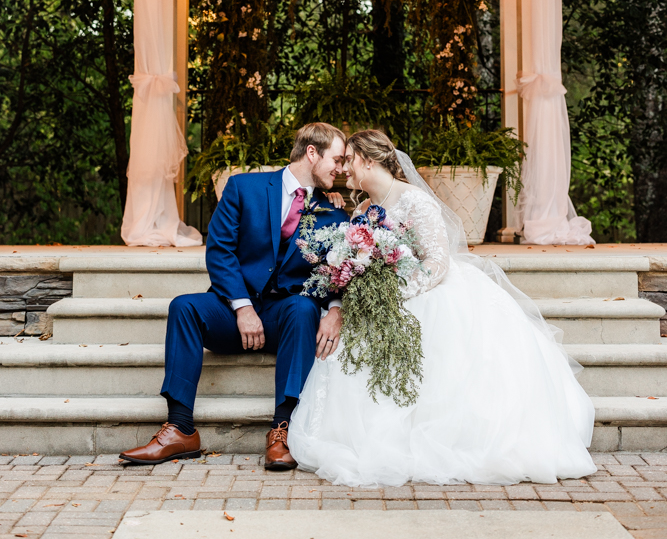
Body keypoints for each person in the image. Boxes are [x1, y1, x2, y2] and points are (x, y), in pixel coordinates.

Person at [288, 129, 597, 487]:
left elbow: (437, 262)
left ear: (369, 160)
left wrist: (395, 293)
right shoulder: (360, 209)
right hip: (379, 296)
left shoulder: (415, 201)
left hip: (426, 291)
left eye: (350, 160)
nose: (344, 170)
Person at [119, 122, 348, 470]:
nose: (342, 168)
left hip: (284, 321)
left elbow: (333, 272)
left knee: (303, 308)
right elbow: (220, 250)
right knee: (184, 306)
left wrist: (335, 309)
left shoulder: (333, 212)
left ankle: (282, 431)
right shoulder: (244, 187)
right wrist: (241, 307)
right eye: (337, 158)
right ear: (312, 152)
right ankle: (180, 429)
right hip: (232, 313)